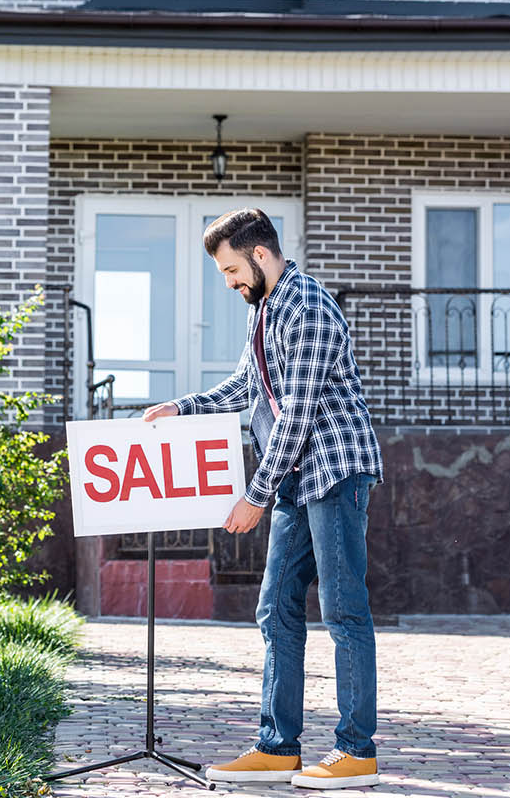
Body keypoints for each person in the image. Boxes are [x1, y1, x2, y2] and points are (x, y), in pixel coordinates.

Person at [142, 208, 384, 790]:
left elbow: (297, 416)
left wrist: (255, 496)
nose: (228, 283)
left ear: (259, 254)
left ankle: (357, 753)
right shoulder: (267, 310)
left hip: (334, 468)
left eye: (230, 270)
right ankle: (278, 748)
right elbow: (248, 386)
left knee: (344, 609)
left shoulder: (305, 306)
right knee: (275, 608)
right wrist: (184, 407)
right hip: (298, 478)